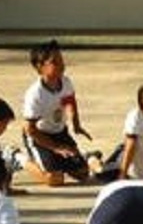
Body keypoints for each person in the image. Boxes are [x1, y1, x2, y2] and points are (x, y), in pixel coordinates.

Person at [20, 39, 93, 186]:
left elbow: (70, 101)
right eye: (55, 61)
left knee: (83, 174)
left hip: (60, 133)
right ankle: (19, 159)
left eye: (61, 59)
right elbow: (30, 129)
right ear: (40, 67)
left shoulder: (65, 82)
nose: (61, 64)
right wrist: (56, 148)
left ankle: (64, 159)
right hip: (40, 137)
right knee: (55, 180)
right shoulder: (35, 94)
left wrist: (76, 124)